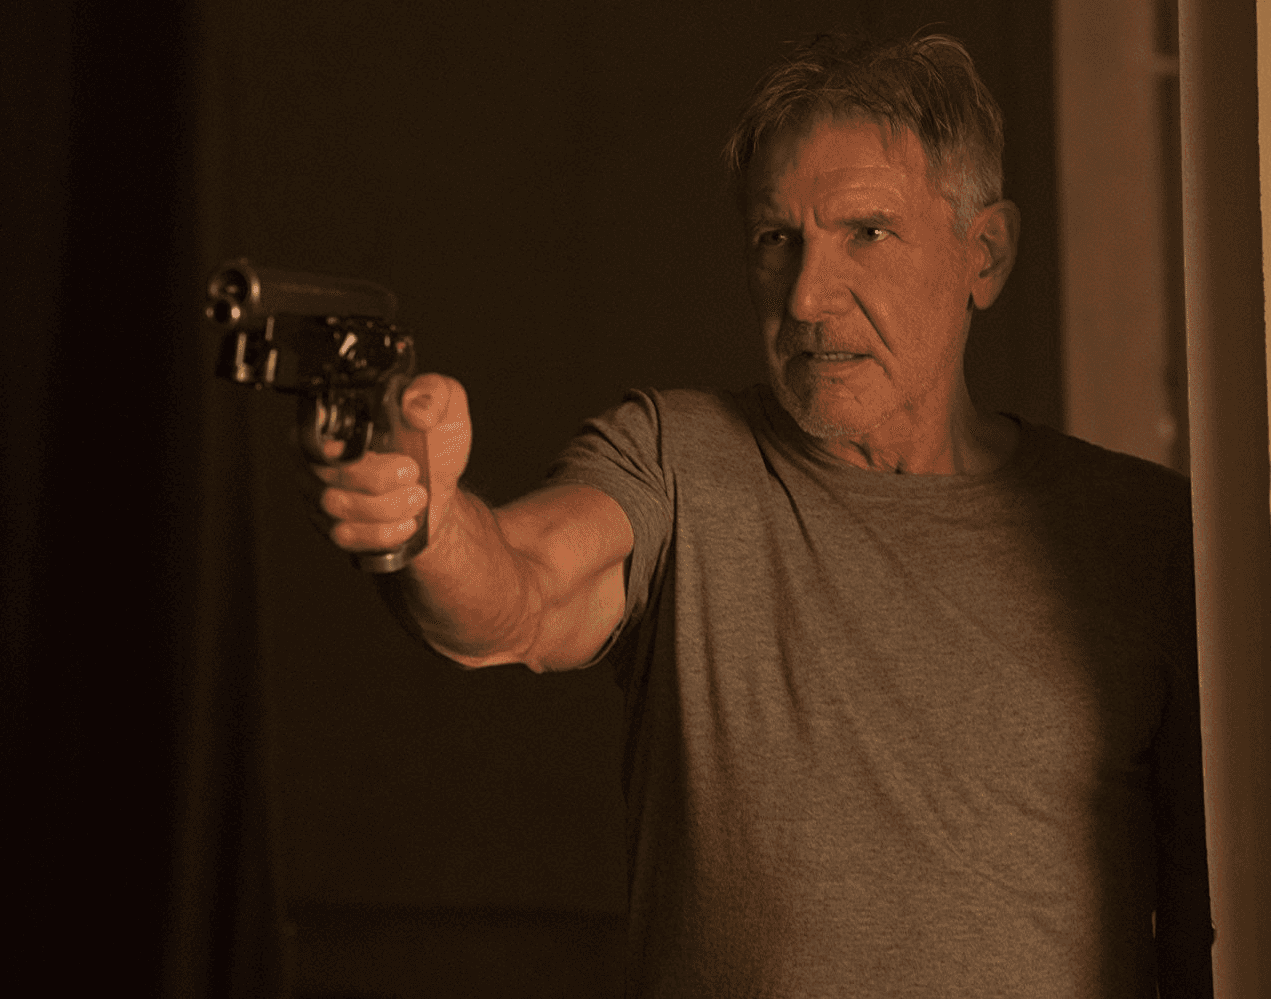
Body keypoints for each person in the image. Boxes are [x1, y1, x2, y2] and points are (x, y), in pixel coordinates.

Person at [314, 33, 1214, 998]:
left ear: (984, 256)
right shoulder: (677, 462)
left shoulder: (1147, 533)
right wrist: (426, 522)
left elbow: (1212, 922)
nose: (809, 295)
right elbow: (521, 593)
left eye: (867, 233)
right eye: (777, 240)